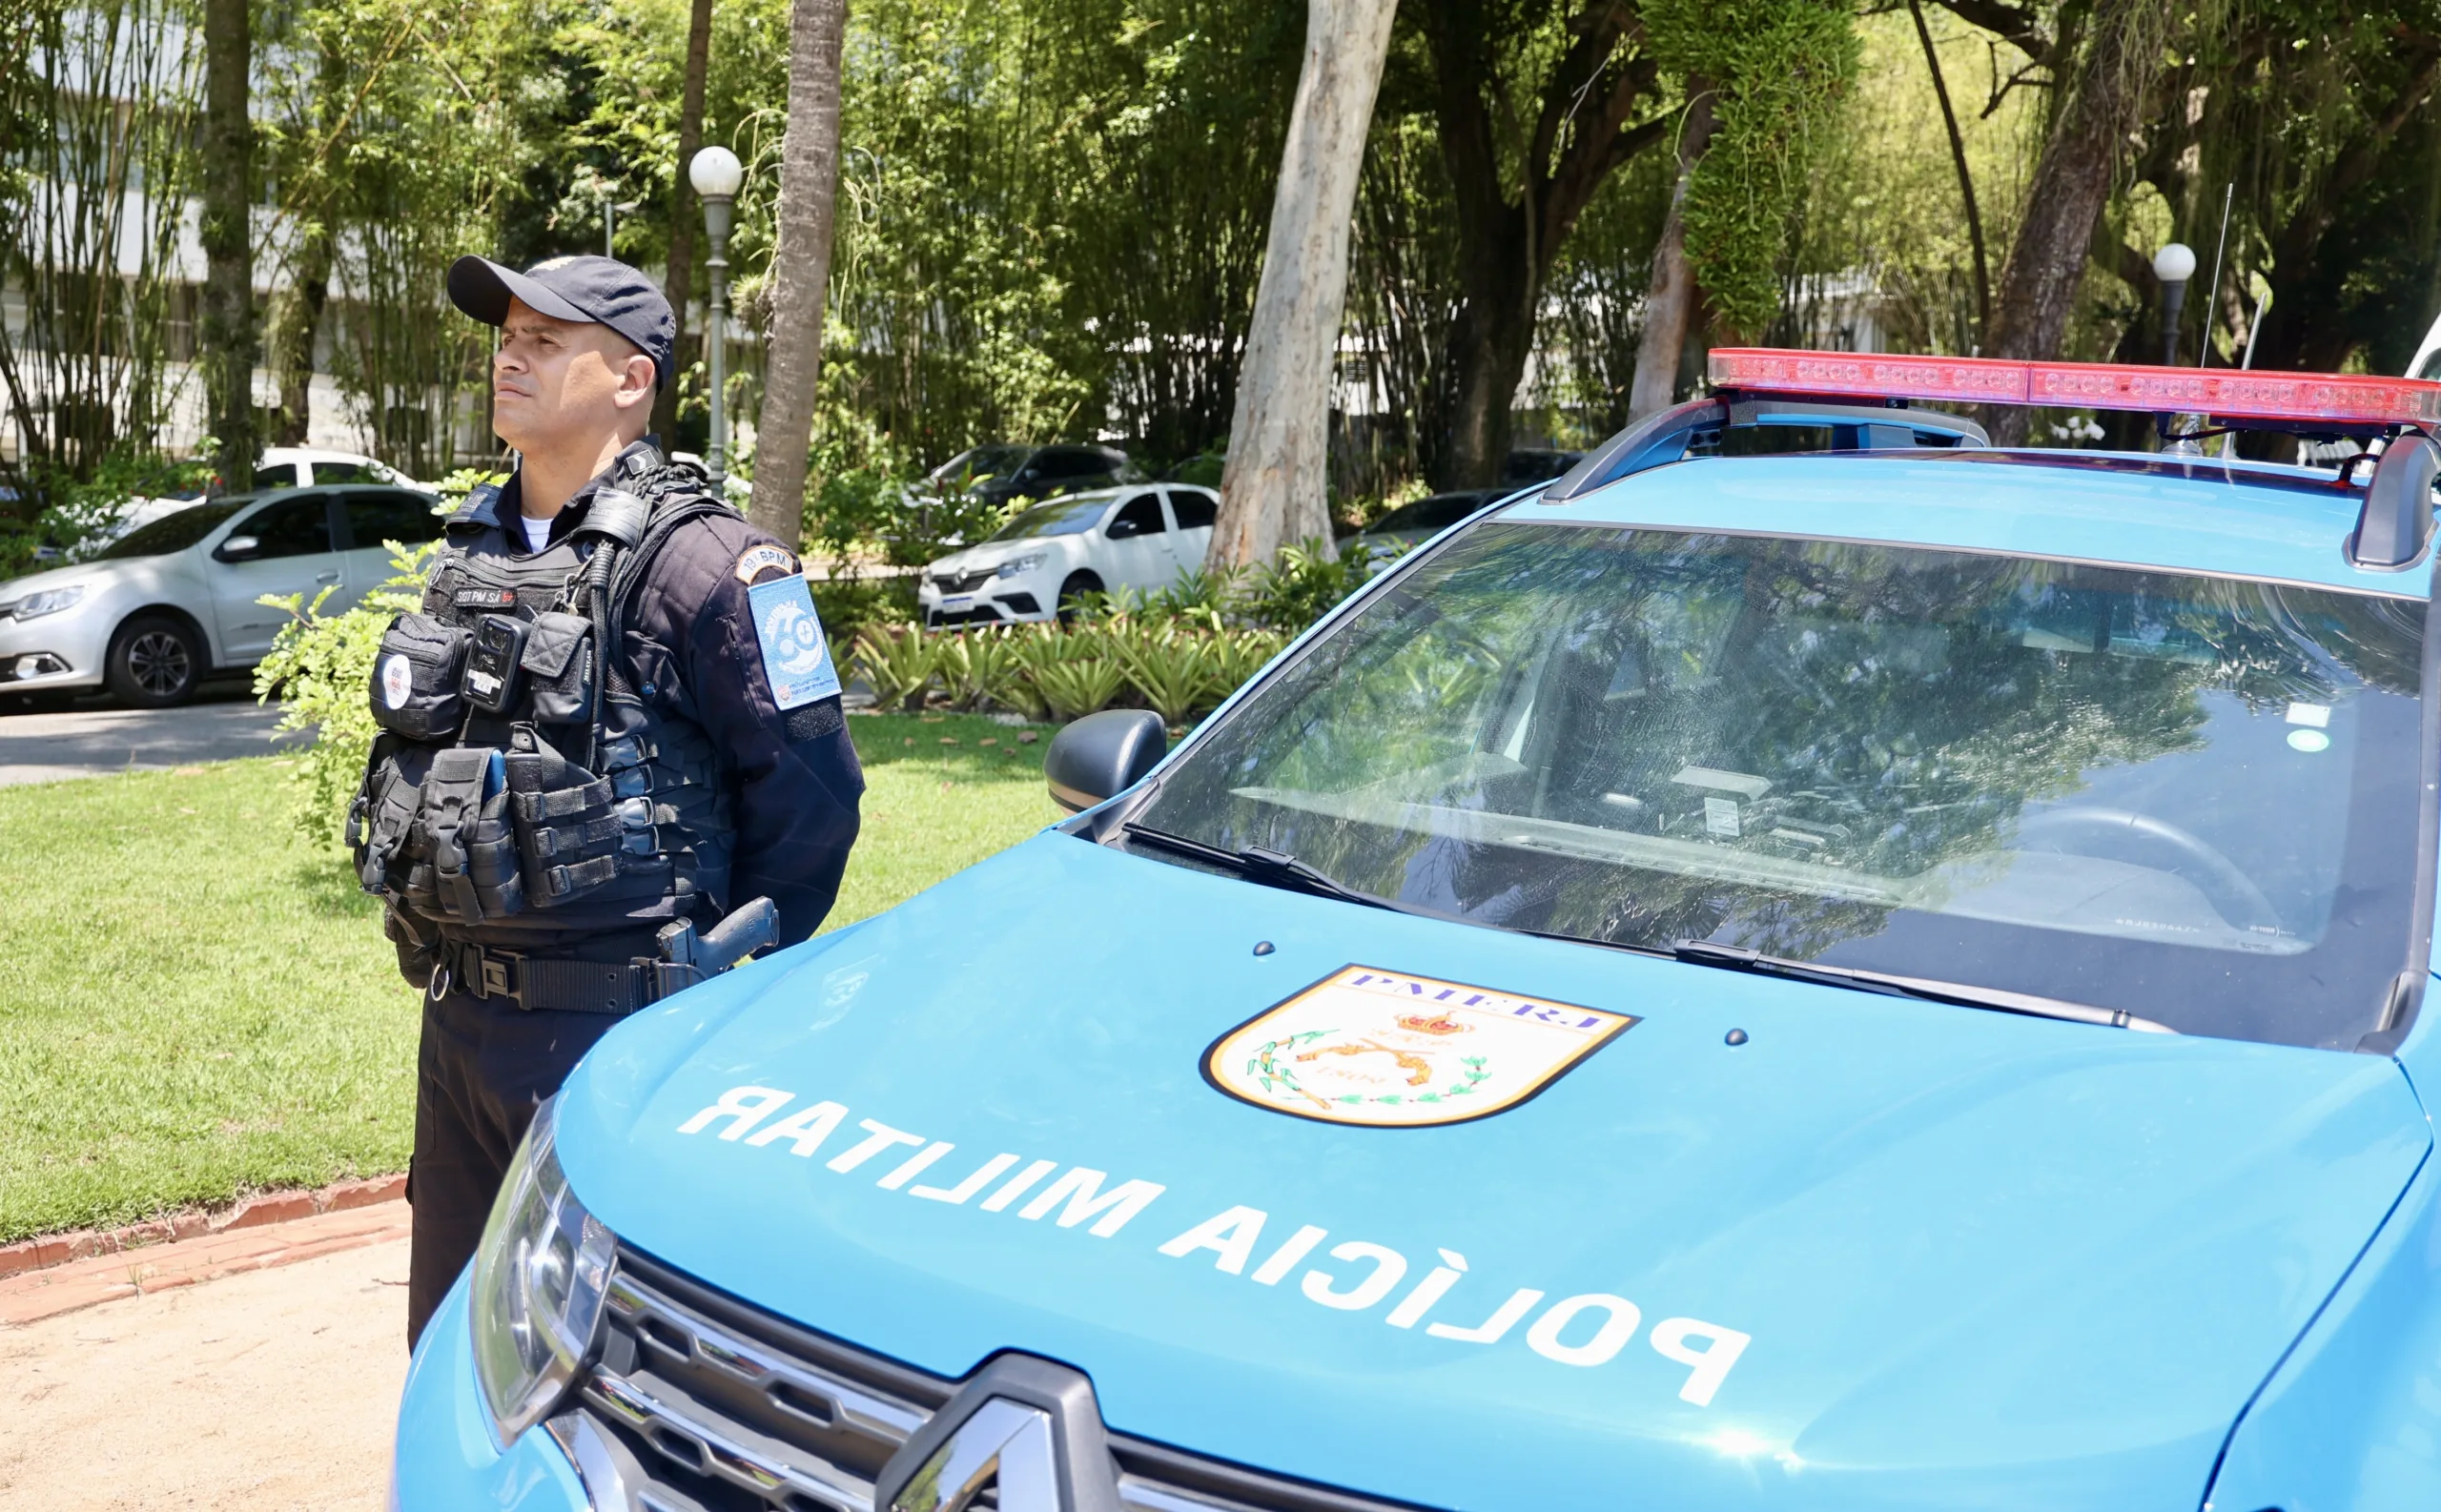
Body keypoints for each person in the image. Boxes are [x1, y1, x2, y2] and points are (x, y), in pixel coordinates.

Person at [349, 253, 864, 1347]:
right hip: (459, 1033)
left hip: (612, 1033)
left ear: (631, 378)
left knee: (595, 1363)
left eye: (546, 336)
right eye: (505, 334)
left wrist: (701, 974)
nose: (510, 352)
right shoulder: (471, 552)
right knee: (451, 1350)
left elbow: (813, 802)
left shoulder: (711, 563)